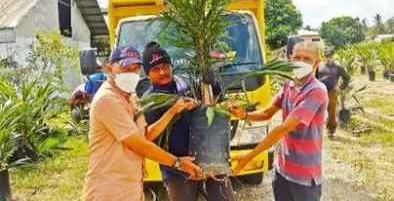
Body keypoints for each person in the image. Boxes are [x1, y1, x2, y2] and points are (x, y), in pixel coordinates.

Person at [82, 45, 201, 201]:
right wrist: (177, 162)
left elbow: (146, 135)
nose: (132, 74)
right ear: (110, 69)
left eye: (136, 68)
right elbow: (140, 145)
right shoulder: (107, 100)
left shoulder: (131, 97)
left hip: (130, 186)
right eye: (126, 69)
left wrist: (172, 111)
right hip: (108, 189)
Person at [229, 41, 328, 201]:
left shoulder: (316, 91)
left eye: (307, 59)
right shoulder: (289, 83)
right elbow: (267, 113)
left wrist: (248, 157)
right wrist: (244, 115)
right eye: (297, 57)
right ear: (290, 58)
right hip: (283, 168)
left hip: (304, 173)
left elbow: (282, 129)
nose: (301, 62)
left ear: (317, 62)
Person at [142, 42, 236, 201]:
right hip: (179, 172)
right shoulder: (149, 101)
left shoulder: (185, 81)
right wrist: (172, 111)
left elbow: (216, 95)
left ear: (171, 66)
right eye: (155, 69)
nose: (162, 72)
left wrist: (212, 82)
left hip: (210, 162)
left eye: (165, 65)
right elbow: (147, 138)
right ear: (147, 74)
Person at [315, 48, 350, 139]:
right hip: (320, 91)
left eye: (330, 56)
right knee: (317, 110)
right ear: (324, 56)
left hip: (332, 91)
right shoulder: (320, 66)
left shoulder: (338, 67)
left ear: (332, 56)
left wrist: (340, 87)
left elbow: (346, 78)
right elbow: (315, 78)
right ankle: (315, 129)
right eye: (326, 56)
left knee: (331, 111)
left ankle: (331, 130)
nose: (328, 57)